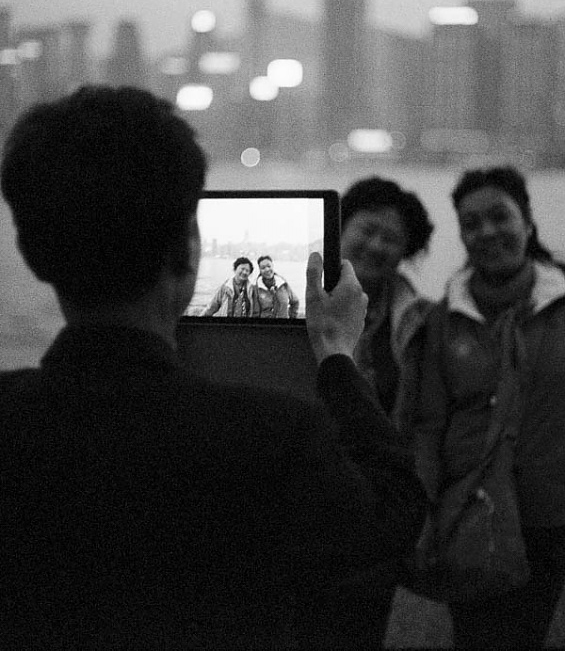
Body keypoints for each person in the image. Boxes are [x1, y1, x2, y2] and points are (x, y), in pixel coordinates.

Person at [0, 86, 427, 650]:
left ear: (32, 253)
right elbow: (391, 516)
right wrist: (336, 354)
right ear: (188, 248)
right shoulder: (275, 440)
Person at [414, 165, 565, 649]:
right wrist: (423, 512)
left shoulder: (559, 304)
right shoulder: (447, 318)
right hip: (470, 513)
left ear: (528, 222)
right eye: (471, 224)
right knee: (475, 636)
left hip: (549, 515)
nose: (487, 232)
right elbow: (429, 424)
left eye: (500, 217)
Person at [340, 176, 435, 437]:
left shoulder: (421, 321)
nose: (376, 246)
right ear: (340, 226)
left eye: (390, 239)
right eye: (368, 230)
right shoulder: (298, 302)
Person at [255, 254, 300, 319]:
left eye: (269, 266)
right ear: (259, 270)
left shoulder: (283, 284)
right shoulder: (257, 288)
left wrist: (292, 317)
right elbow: (255, 312)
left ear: (272, 266)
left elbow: (295, 302)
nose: (267, 269)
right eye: (263, 268)